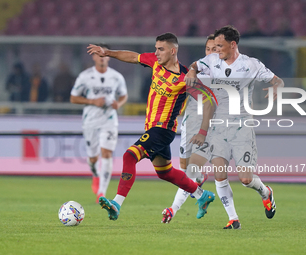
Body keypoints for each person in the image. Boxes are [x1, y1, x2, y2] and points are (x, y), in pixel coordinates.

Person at [87, 33, 215, 221]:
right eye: (155, 48)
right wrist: (107, 52)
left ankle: (116, 203)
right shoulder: (155, 63)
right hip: (152, 129)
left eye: (160, 49)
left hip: (162, 130)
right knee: (165, 172)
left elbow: (210, 99)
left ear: (172, 51)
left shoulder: (184, 78)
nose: (156, 52)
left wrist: (203, 130)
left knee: (129, 156)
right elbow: (132, 57)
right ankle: (202, 195)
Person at [186, 25, 283, 229]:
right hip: (218, 127)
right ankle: (233, 218)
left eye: (220, 46)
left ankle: (266, 192)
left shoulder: (251, 65)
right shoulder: (212, 60)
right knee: (219, 174)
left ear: (232, 45)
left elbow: (277, 80)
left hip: (241, 127)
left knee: (246, 178)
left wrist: (276, 87)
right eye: (214, 46)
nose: (216, 49)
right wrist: (192, 72)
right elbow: (194, 65)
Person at [161, 34, 217, 223]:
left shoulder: (224, 76)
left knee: (190, 171)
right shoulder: (194, 73)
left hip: (209, 128)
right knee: (185, 169)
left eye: (215, 49)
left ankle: (172, 209)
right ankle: (199, 182)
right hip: (188, 125)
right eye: (208, 49)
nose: (211, 53)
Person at [70, 43, 128, 203]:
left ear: (108, 57)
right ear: (94, 56)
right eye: (98, 55)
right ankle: (95, 174)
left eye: (104, 55)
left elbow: (123, 95)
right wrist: (92, 101)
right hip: (90, 121)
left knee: (107, 153)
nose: (102, 58)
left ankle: (101, 192)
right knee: (93, 158)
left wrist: (119, 104)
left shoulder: (116, 77)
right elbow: (73, 98)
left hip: (109, 120)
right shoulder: (85, 76)